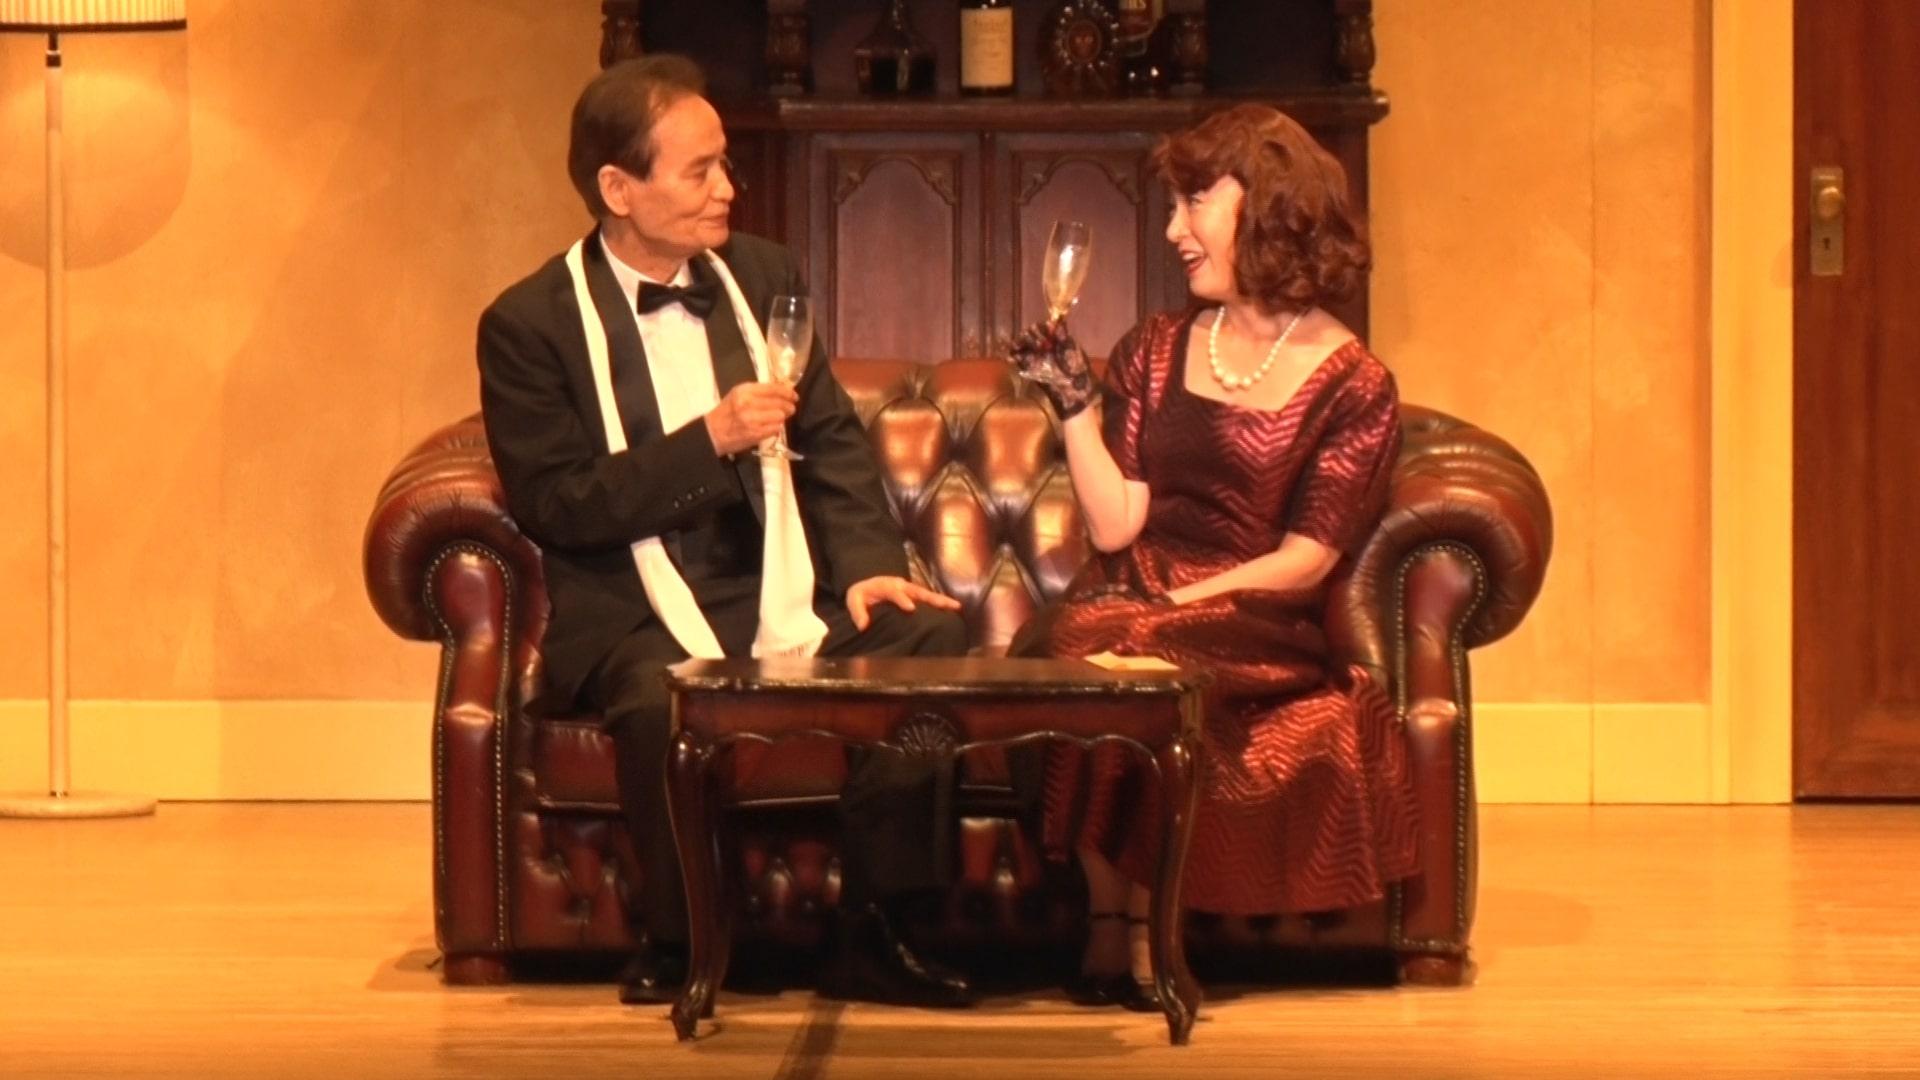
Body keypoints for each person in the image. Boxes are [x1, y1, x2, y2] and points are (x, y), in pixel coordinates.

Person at [477, 55, 972, 1008]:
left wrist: (869, 567)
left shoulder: (762, 274)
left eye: (726, 164)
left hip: (780, 582)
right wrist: (707, 441)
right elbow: (558, 502)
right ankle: (687, 939)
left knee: (927, 644)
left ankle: (877, 932)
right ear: (618, 188)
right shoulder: (529, 323)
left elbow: (830, 440)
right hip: (637, 606)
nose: (728, 189)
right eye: (700, 170)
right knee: (653, 699)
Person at [1007, 104, 1420, 1009]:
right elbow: (1115, 528)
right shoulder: (1156, 348)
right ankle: (1111, 921)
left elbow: (1305, 561)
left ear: (1265, 204)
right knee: (1077, 647)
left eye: (1193, 201)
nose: (1172, 229)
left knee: (1141, 654)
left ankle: (1147, 930)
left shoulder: (1355, 384)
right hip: (1137, 589)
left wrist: (1178, 611)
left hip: (1252, 614)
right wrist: (1073, 405)